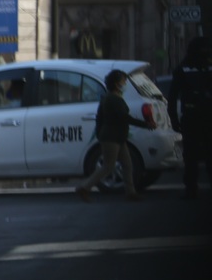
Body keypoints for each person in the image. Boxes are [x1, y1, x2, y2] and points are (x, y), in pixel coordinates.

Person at [75, 68, 156, 202]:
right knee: (108, 166)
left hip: (117, 137)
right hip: (111, 138)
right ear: (116, 83)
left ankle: (131, 193)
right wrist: (146, 125)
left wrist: (100, 133)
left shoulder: (110, 97)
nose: (125, 84)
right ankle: (84, 187)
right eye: (123, 81)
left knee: (127, 164)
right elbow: (125, 117)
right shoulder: (113, 99)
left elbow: (100, 118)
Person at [168, 36, 212, 199]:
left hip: (198, 117)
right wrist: (173, 118)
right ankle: (191, 187)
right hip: (194, 117)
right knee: (192, 156)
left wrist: (174, 118)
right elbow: (172, 97)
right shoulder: (184, 69)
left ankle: (191, 187)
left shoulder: (187, 68)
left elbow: (172, 97)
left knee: (196, 155)